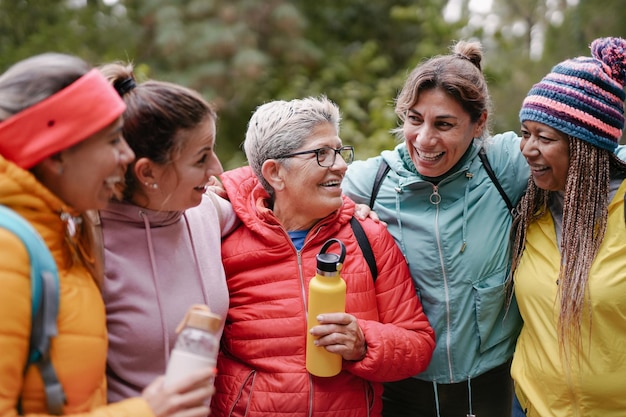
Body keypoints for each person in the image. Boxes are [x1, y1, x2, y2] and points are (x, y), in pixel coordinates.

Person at [0, 53, 214, 417]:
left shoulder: (66, 231)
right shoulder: (8, 250)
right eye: (113, 140)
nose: (126, 155)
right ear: (57, 154)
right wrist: (145, 411)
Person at [213, 96, 436, 417]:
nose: (341, 165)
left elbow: (418, 344)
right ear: (275, 173)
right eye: (321, 154)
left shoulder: (368, 236)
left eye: (339, 151)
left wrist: (364, 343)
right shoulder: (223, 240)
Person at [342, 40, 529, 417]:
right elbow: (285, 181)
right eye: (414, 119)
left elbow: (589, 153)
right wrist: (223, 187)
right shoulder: (372, 182)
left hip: (493, 382)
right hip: (403, 384)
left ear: (479, 124)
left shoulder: (505, 166)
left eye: (444, 124)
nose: (424, 139)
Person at [96, 62, 239, 402]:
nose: (217, 169)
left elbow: (264, 205)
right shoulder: (88, 240)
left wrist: (355, 213)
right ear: (147, 173)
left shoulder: (206, 211)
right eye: (202, 158)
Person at [509, 36, 626, 417]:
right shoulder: (531, 209)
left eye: (545, 137)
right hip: (530, 407)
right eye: (526, 133)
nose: (528, 149)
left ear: (586, 149)